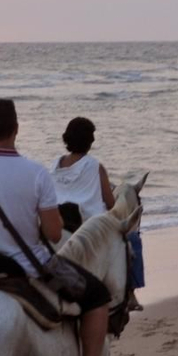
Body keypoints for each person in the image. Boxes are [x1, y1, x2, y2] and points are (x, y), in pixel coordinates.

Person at [0, 99, 124, 356]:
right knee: (97, 296)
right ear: (17, 129)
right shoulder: (35, 173)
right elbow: (54, 232)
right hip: (20, 266)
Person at [51, 116, 144, 311]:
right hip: (89, 224)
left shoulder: (54, 165)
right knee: (132, 239)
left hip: (59, 220)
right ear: (90, 142)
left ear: (66, 138)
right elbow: (110, 203)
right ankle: (131, 293)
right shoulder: (94, 166)